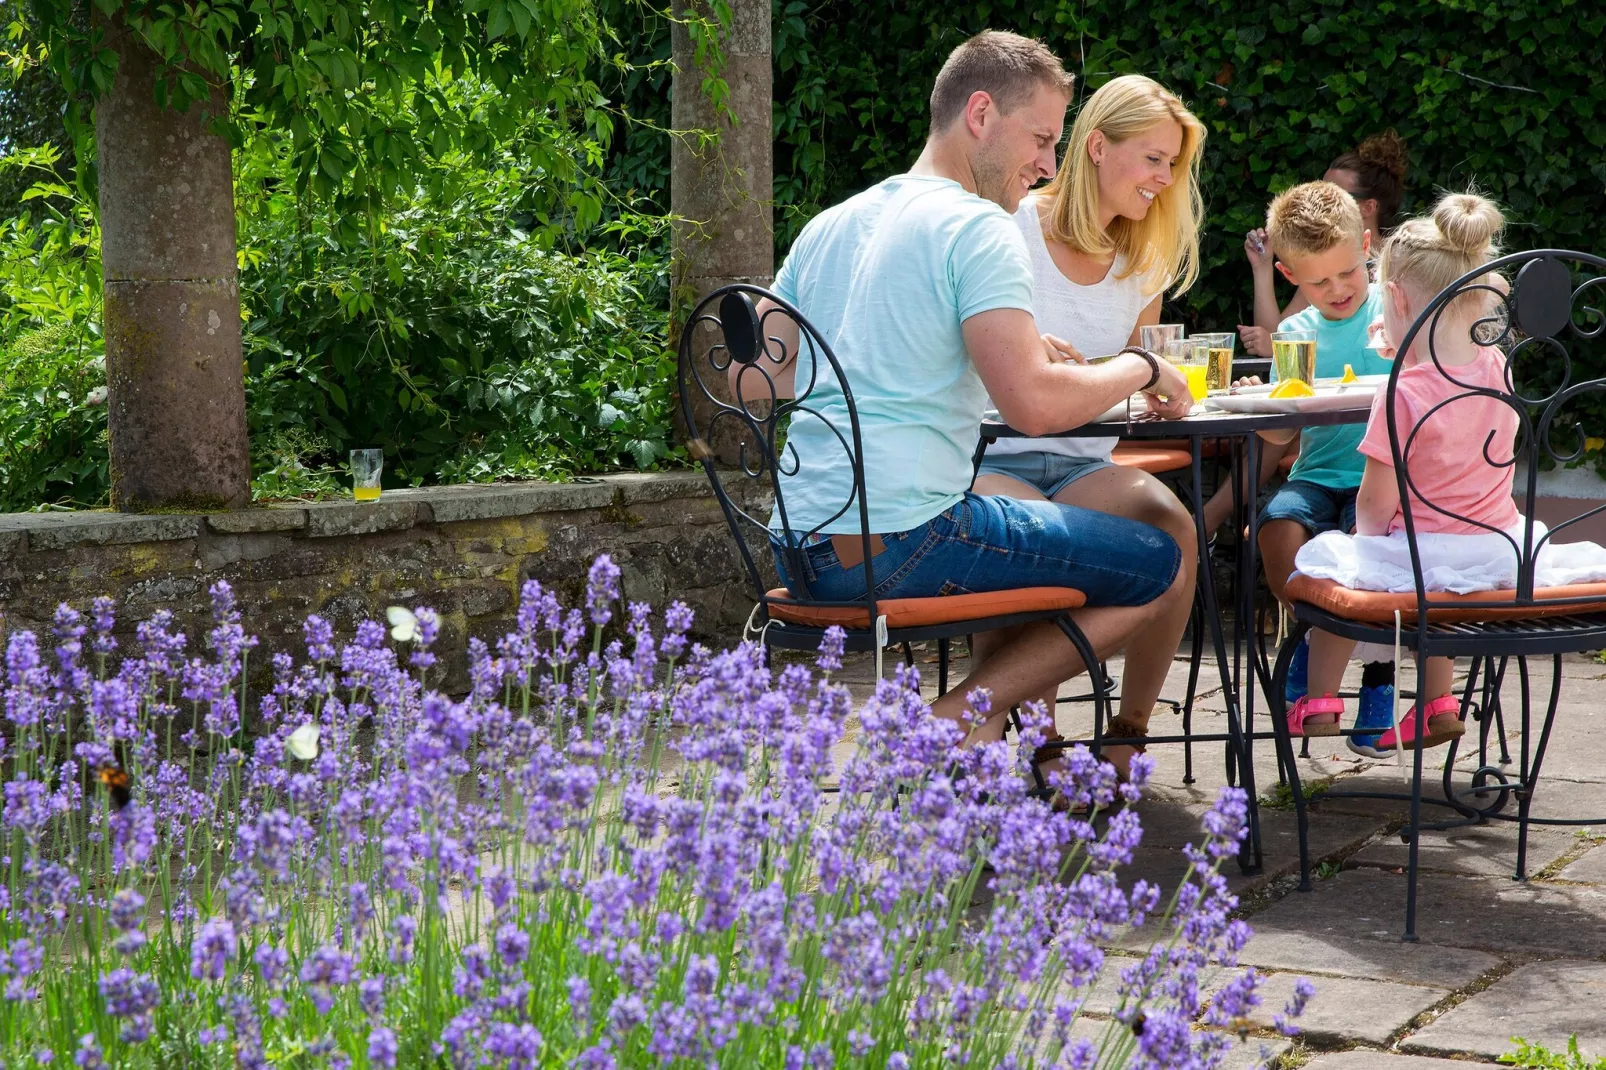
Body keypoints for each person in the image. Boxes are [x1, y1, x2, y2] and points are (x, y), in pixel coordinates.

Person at [727, 31, 1195, 767]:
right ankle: (951, 715)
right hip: (909, 540)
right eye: (1040, 138)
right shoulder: (978, 227)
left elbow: (752, 386)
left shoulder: (831, 225)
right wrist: (1139, 366)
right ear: (980, 114)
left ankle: (983, 729)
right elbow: (1033, 409)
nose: (1048, 163)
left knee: (1056, 537)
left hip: (799, 548)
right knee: (1159, 561)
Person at [1285, 192, 1606, 749]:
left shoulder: (1402, 394)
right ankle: (1437, 706)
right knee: (1438, 585)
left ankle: (1319, 701)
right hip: (1499, 548)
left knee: (1342, 568)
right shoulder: (1498, 369)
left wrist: (1367, 535)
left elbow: (1376, 504)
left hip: (1425, 553)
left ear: (1393, 300)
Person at [971, 74, 1207, 776]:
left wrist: (1162, 391)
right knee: (1034, 537)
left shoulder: (1143, 260)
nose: (1165, 181)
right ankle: (1041, 740)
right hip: (993, 454)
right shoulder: (1012, 229)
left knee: (1176, 528)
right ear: (1097, 146)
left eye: (1173, 165)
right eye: (1154, 159)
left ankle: (1129, 730)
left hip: (1084, 461)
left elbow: (1141, 376)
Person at [1252, 180, 1396, 754]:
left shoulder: (1398, 310)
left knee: (1381, 547)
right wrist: (1267, 403)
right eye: (1318, 281)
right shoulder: (1295, 334)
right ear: (1289, 276)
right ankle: (1316, 633)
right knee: (1277, 527)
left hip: (1383, 481)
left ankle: (1378, 679)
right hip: (1317, 476)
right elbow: (1280, 434)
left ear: (1367, 246)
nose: (1337, 289)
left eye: (1348, 272)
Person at [1239, 132, 1409, 357]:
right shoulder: (1316, 265)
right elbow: (1282, 339)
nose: (1337, 289)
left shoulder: (1403, 282)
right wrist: (1262, 266)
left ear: (1368, 207)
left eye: (1335, 192)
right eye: (1320, 283)